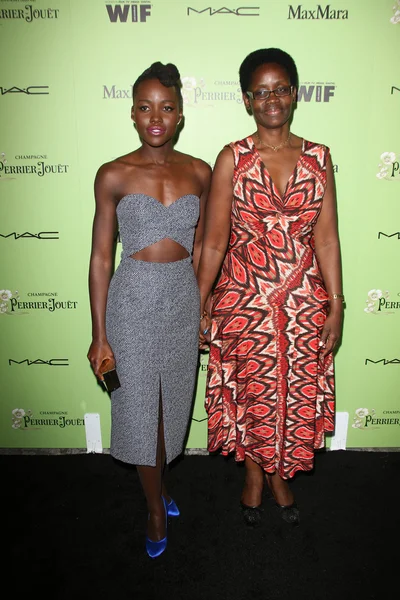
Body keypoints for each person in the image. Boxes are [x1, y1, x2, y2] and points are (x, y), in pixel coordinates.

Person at [197, 48, 343, 527]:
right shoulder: (232, 159)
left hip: (303, 303)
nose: (272, 99)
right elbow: (215, 241)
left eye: (281, 89)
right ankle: (259, 478)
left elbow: (326, 237)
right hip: (245, 299)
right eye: (261, 92)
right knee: (254, 392)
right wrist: (199, 301)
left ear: (295, 94)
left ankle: (275, 474)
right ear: (246, 100)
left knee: (292, 392)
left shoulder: (319, 157)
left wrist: (337, 305)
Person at [87, 62, 211, 556]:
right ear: (132, 114)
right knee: (140, 412)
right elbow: (100, 257)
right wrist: (99, 334)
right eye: (144, 107)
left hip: (181, 298)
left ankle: (158, 486)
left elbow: (203, 252)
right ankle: (155, 509)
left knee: (170, 407)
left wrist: (203, 308)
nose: (155, 116)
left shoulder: (201, 172)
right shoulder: (113, 173)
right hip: (132, 300)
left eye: (166, 106)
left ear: (180, 114)